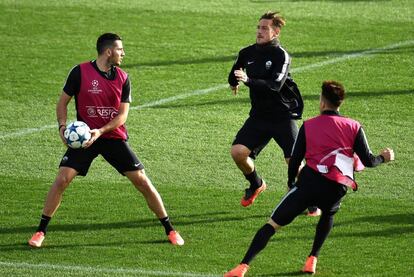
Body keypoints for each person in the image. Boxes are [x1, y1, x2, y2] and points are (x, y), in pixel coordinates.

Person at [224, 80, 395, 276]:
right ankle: (312, 259)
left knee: (272, 224)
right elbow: (369, 160)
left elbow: (295, 159)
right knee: (328, 214)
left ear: (322, 102)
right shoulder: (354, 126)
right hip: (336, 187)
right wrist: (384, 157)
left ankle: (242, 267)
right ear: (340, 103)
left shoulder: (309, 125)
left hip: (308, 185)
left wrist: (291, 183)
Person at [28, 33, 184, 248]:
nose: (123, 53)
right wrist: (62, 128)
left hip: (111, 136)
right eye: (120, 49)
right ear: (108, 51)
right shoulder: (80, 72)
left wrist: (100, 131)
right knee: (63, 179)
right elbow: (62, 103)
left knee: (142, 180)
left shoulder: (123, 77)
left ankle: (170, 229)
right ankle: (40, 231)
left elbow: (122, 116)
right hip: (84, 139)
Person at [228, 11, 319, 214]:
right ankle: (256, 184)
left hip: (282, 117)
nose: (259, 32)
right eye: (258, 27)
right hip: (259, 117)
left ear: (276, 32)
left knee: (294, 163)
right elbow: (236, 70)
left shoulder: (281, 55)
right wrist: (233, 81)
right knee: (238, 153)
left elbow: (275, 85)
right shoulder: (247, 52)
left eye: (265, 28)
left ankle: (311, 199)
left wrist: (248, 81)